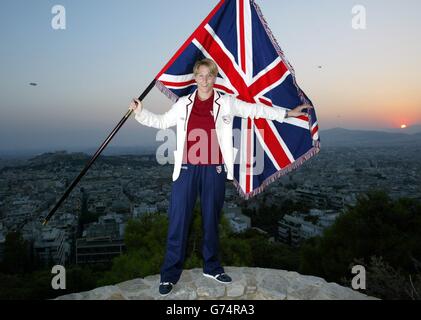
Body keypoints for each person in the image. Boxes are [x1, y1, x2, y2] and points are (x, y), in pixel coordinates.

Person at [129, 58, 311, 296]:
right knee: (178, 220)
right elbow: (161, 121)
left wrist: (287, 113)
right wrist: (140, 111)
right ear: (194, 78)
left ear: (215, 78)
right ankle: (169, 275)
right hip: (185, 168)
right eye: (201, 76)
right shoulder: (183, 103)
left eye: (209, 76)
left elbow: (255, 109)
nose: (205, 81)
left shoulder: (225, 102)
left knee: (211, 220)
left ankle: (212, 267)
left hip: (214, 168)